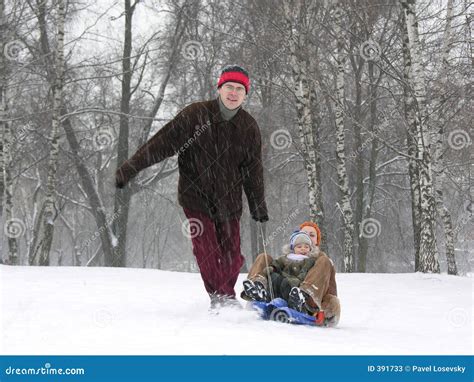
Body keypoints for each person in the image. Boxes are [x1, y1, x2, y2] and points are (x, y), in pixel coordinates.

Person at [115, 65, 268, 310]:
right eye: (229, 87)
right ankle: (222, 297)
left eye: (239, 89)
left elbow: (253, 170)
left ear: (245, 94)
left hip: (230, 201)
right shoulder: (196, 115)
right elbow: (161, 144)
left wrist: (257, 204)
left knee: (232, 254)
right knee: (206, 249)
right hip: (196, 198)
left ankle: (225, 294)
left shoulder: (248, 127)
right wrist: (131, 168)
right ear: (219, 88)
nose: (233, 93)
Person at [242, 221, 341, 326]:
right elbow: (277, 267)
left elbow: (331, 293)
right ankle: (257, 289)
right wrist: (270, 270)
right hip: (283, 291)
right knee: (264, 257)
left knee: (324, 260)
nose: (306, 238)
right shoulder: (289, 257)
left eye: (311, 235)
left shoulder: (322, 261)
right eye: (303, 234)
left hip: (308, 303)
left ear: (317, 241)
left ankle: (303, 295)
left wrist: (326, 310)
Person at [243, 231, 316, 303]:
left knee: (286, 283)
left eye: (306, 247)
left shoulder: (309, 261)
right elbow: (276, 264)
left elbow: (305, 273)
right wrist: (272, 268)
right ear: (293, 248)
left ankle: (294, 301)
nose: (303, 249)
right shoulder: (285, 257)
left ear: (310, 249)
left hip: (293, 285)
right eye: (299, 247)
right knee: (272, 276)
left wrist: (297, 280)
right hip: (281, 281)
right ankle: (260, 293)